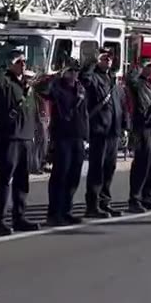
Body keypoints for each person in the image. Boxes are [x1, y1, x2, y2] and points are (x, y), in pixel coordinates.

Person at [0, 49, 41, 235]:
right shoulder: (6, 82)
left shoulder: (27, 85)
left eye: (24, 61)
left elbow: (33, 111)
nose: (23, 64)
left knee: (22, 181)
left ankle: (19, 217)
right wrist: (6, 65)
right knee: (4, 180)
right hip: (9, 138)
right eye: (19, 61)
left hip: (25, 138)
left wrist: (35, 134)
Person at [43, 59, 88, 226]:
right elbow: (43, 90)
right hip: (62, 136)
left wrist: (86, 136)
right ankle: (54, 213)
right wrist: (56, 76)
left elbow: (85, 114)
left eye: (76, 71)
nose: (74, 74)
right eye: (71, 70)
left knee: (73, 176)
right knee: (60, 176)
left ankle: (66, 210)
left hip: (78, 137)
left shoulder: (80, 89)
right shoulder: (57, 88)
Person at [81, 48, 124, 218]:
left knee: (109, 168)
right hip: (99, 130)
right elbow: (84, 79)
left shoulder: (112, 79)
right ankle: (92, 205)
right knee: (96, 169)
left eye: (110, 58)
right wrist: (93, 62)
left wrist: (124, 126)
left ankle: (105, 202)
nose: (108, 61)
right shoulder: (94, 77)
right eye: (105, 58)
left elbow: (119, 103)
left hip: (113, 130)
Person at [126, 58, 151, 213]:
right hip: (143, 128)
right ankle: (135, 199)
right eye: (148, 66)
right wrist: (139, 67)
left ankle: (147, 196)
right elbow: (130, 79)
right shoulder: (137, 83)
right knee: (141, 164)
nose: (150, 69)